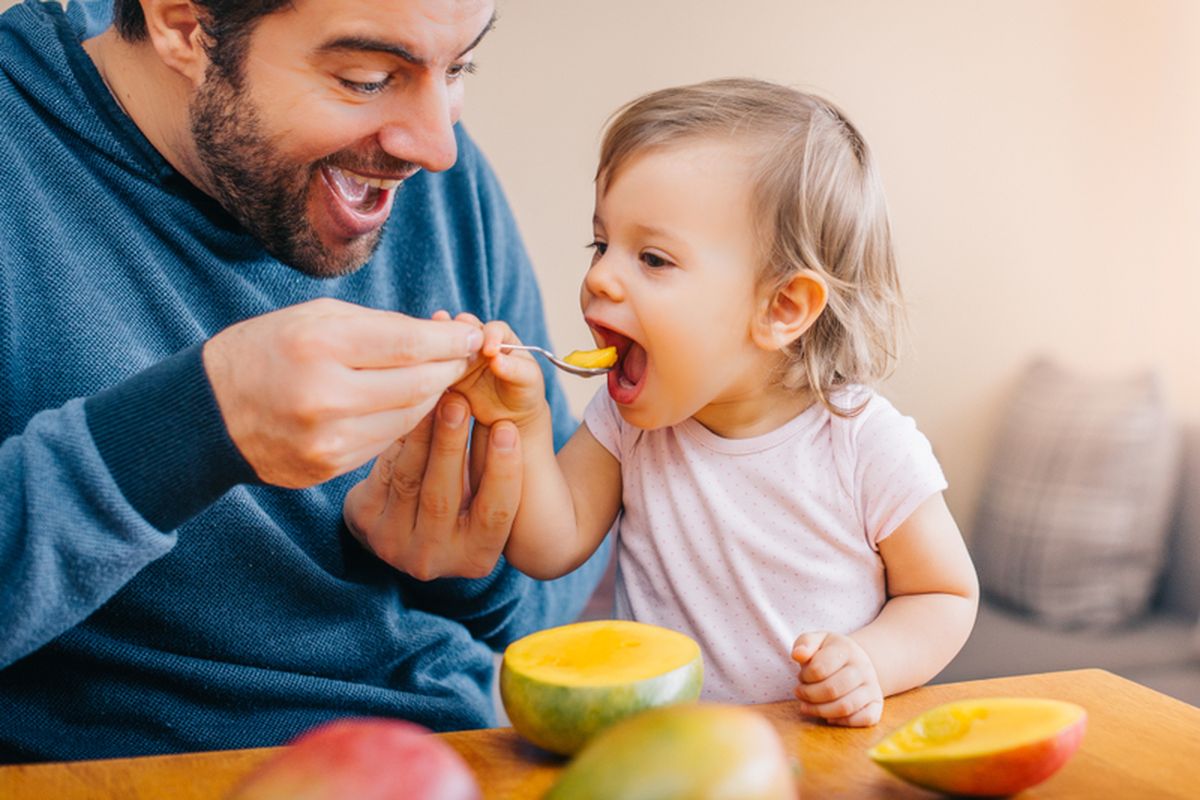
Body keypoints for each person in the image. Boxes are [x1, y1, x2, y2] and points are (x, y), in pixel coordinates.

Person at [0, 0, 607, 763]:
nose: (436, 146)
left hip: (464, 752)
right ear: (184, 25)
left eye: (458, 69)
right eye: (366, 78)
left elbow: (553, 613)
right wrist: (193, 427)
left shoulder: (435, 182)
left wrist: (471, 565)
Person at [449, 78, 980, 726]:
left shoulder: (864, 441)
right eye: (601, 244)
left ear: (781, 307)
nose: (598, 277)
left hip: (816, 754)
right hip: (665, 751)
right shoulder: (628, 424)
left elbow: (945, 592)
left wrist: (869, 661)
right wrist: (523, 421)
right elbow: (546, 547)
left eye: (652, 258)